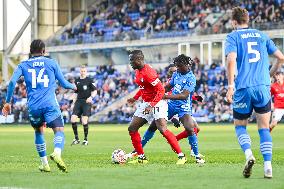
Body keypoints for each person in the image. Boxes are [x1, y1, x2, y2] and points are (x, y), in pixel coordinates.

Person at [225, 7, 284, 179]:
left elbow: (231, 59)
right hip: (263, 87)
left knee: (240, 126)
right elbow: (280, 57)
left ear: (234, 21)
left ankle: (249, 155)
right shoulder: (262, 35)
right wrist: (270, 74)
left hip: (243, 87)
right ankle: (268, 167)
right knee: (264, 128)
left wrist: (230, 86)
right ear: (248, 20)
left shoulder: (233, 36)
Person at [2, 39, 76, 172]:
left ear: (30, 52)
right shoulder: (52, 63)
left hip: (34, 107)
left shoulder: (23, 65)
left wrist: (7, 102)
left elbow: (12, 82)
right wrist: (74, 87)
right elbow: (64, 83)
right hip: (50, 105)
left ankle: (45, 164)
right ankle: (57, 153)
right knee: (59, 130)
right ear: (43, 51)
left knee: (38, 131)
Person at [127, 63, 204, 160]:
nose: (173, 72)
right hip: (168, 108)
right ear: (168, 73)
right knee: (153, 127)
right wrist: (173, 118)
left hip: (182, 108)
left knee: (195, 128)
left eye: (175, 71)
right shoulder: (167, 84)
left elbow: (186, 94)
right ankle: (137, 151)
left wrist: (196, 97)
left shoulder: (179, 80)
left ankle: (184, 145)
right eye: (171, 71)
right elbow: (162, 95)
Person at [127, 50, 187, 164]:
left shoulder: (149, 72)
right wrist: (135, 98)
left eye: (131, 60)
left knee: (163, 129)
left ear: (139, 60)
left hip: (158, 102)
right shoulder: (138, 71)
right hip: (147, 103)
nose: (130, 63)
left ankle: (181, 156)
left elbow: (161, 90)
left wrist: (152, 105)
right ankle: (141, 157)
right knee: (132, 128)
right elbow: (143, 87)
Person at [70, 65, 96, 146]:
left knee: (84, 121)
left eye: (84, 71)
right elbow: (75, 92)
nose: (83, 72)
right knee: (73, 119)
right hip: (78, 102)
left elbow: (95, 90)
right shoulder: (77, 81)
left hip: (86, 102)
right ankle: (76, 138)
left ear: (86, 72)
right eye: (82, 71)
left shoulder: (89, 80)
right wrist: (73, 103)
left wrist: (91, 97)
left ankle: (85, 139)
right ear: (80, 71)